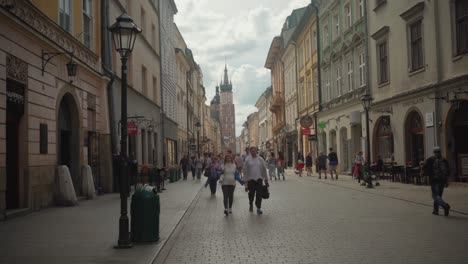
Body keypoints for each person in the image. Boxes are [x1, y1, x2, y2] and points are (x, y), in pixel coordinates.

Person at [423, 147, 451, 216]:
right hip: (442, 180)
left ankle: (445, 206)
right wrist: (446, 181)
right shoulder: (444, 160)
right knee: (439, 195)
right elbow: (448, 171)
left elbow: (424, 168)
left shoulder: (430, 159)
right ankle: (436, 210)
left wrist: (426, 175)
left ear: (434, 152)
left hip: (434, 180)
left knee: (435, 195)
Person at [243, 146, 269, 214]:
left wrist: (266, 180)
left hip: (259, 179)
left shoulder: (260, 159)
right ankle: (251, 203)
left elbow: (264, 170)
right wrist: (245, 184)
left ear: (256, 151)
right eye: (251, 151)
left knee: (259, 194)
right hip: (251, 180)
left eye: (254, 151)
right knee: (251, 194)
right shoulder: (247, 159)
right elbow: (245, 171)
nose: (253, 152)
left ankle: (258, 208)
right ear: (250, 152)